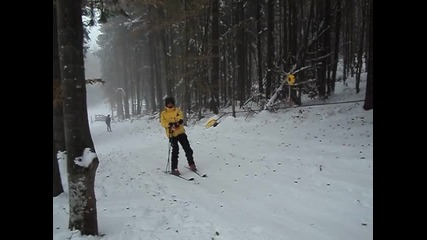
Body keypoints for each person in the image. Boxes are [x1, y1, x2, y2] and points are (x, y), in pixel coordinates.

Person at [160, 96, 197, 176]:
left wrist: (178, 122)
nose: (170, 104)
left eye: (171, 102)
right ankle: (174, 168)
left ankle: (191, 164)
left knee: (187, 148)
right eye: (168, 103)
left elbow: (180, 116)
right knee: (175, 150)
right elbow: (163, 122)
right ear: (166, 104)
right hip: (172, 134)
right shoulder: (163, 113)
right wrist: (169, 124)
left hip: (180, 132)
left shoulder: (177, 110)